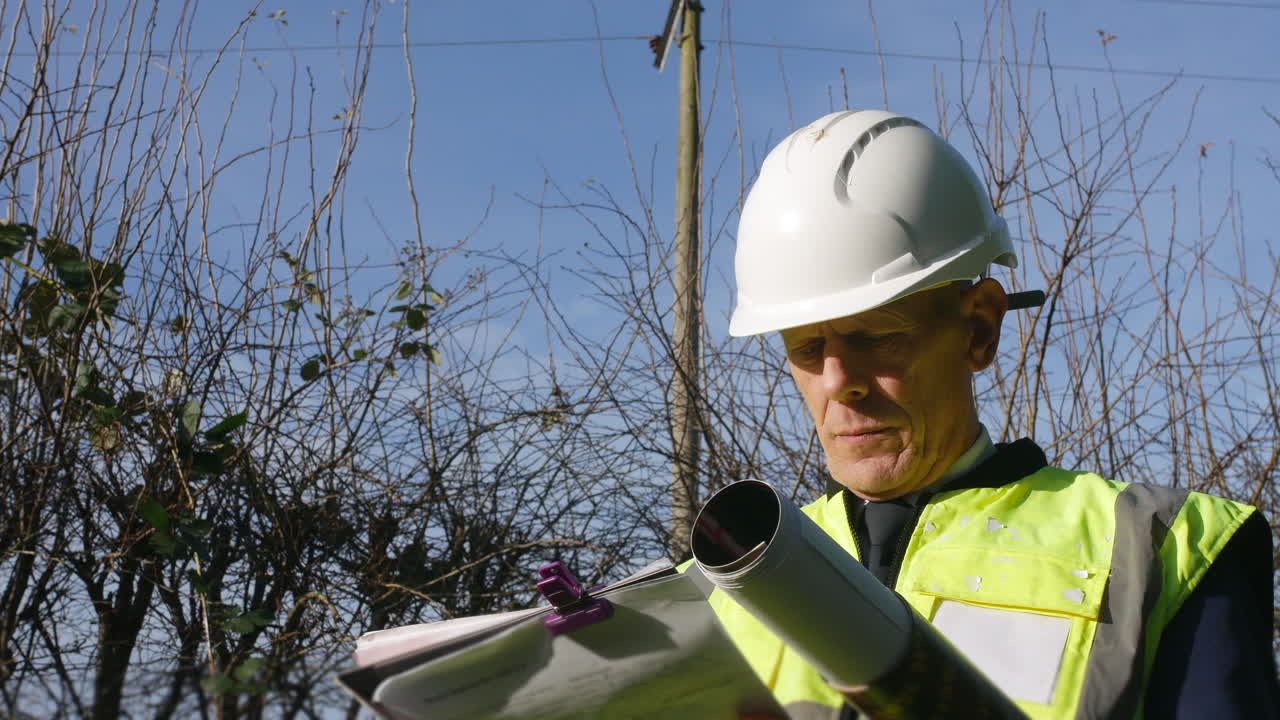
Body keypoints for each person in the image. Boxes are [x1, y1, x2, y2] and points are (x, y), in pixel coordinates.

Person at [706, 110, 1278, 719]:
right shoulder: (716, 587)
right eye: (807, 348)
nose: (838, 382)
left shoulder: (1161, 550)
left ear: (978, 329)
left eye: (876, 337)